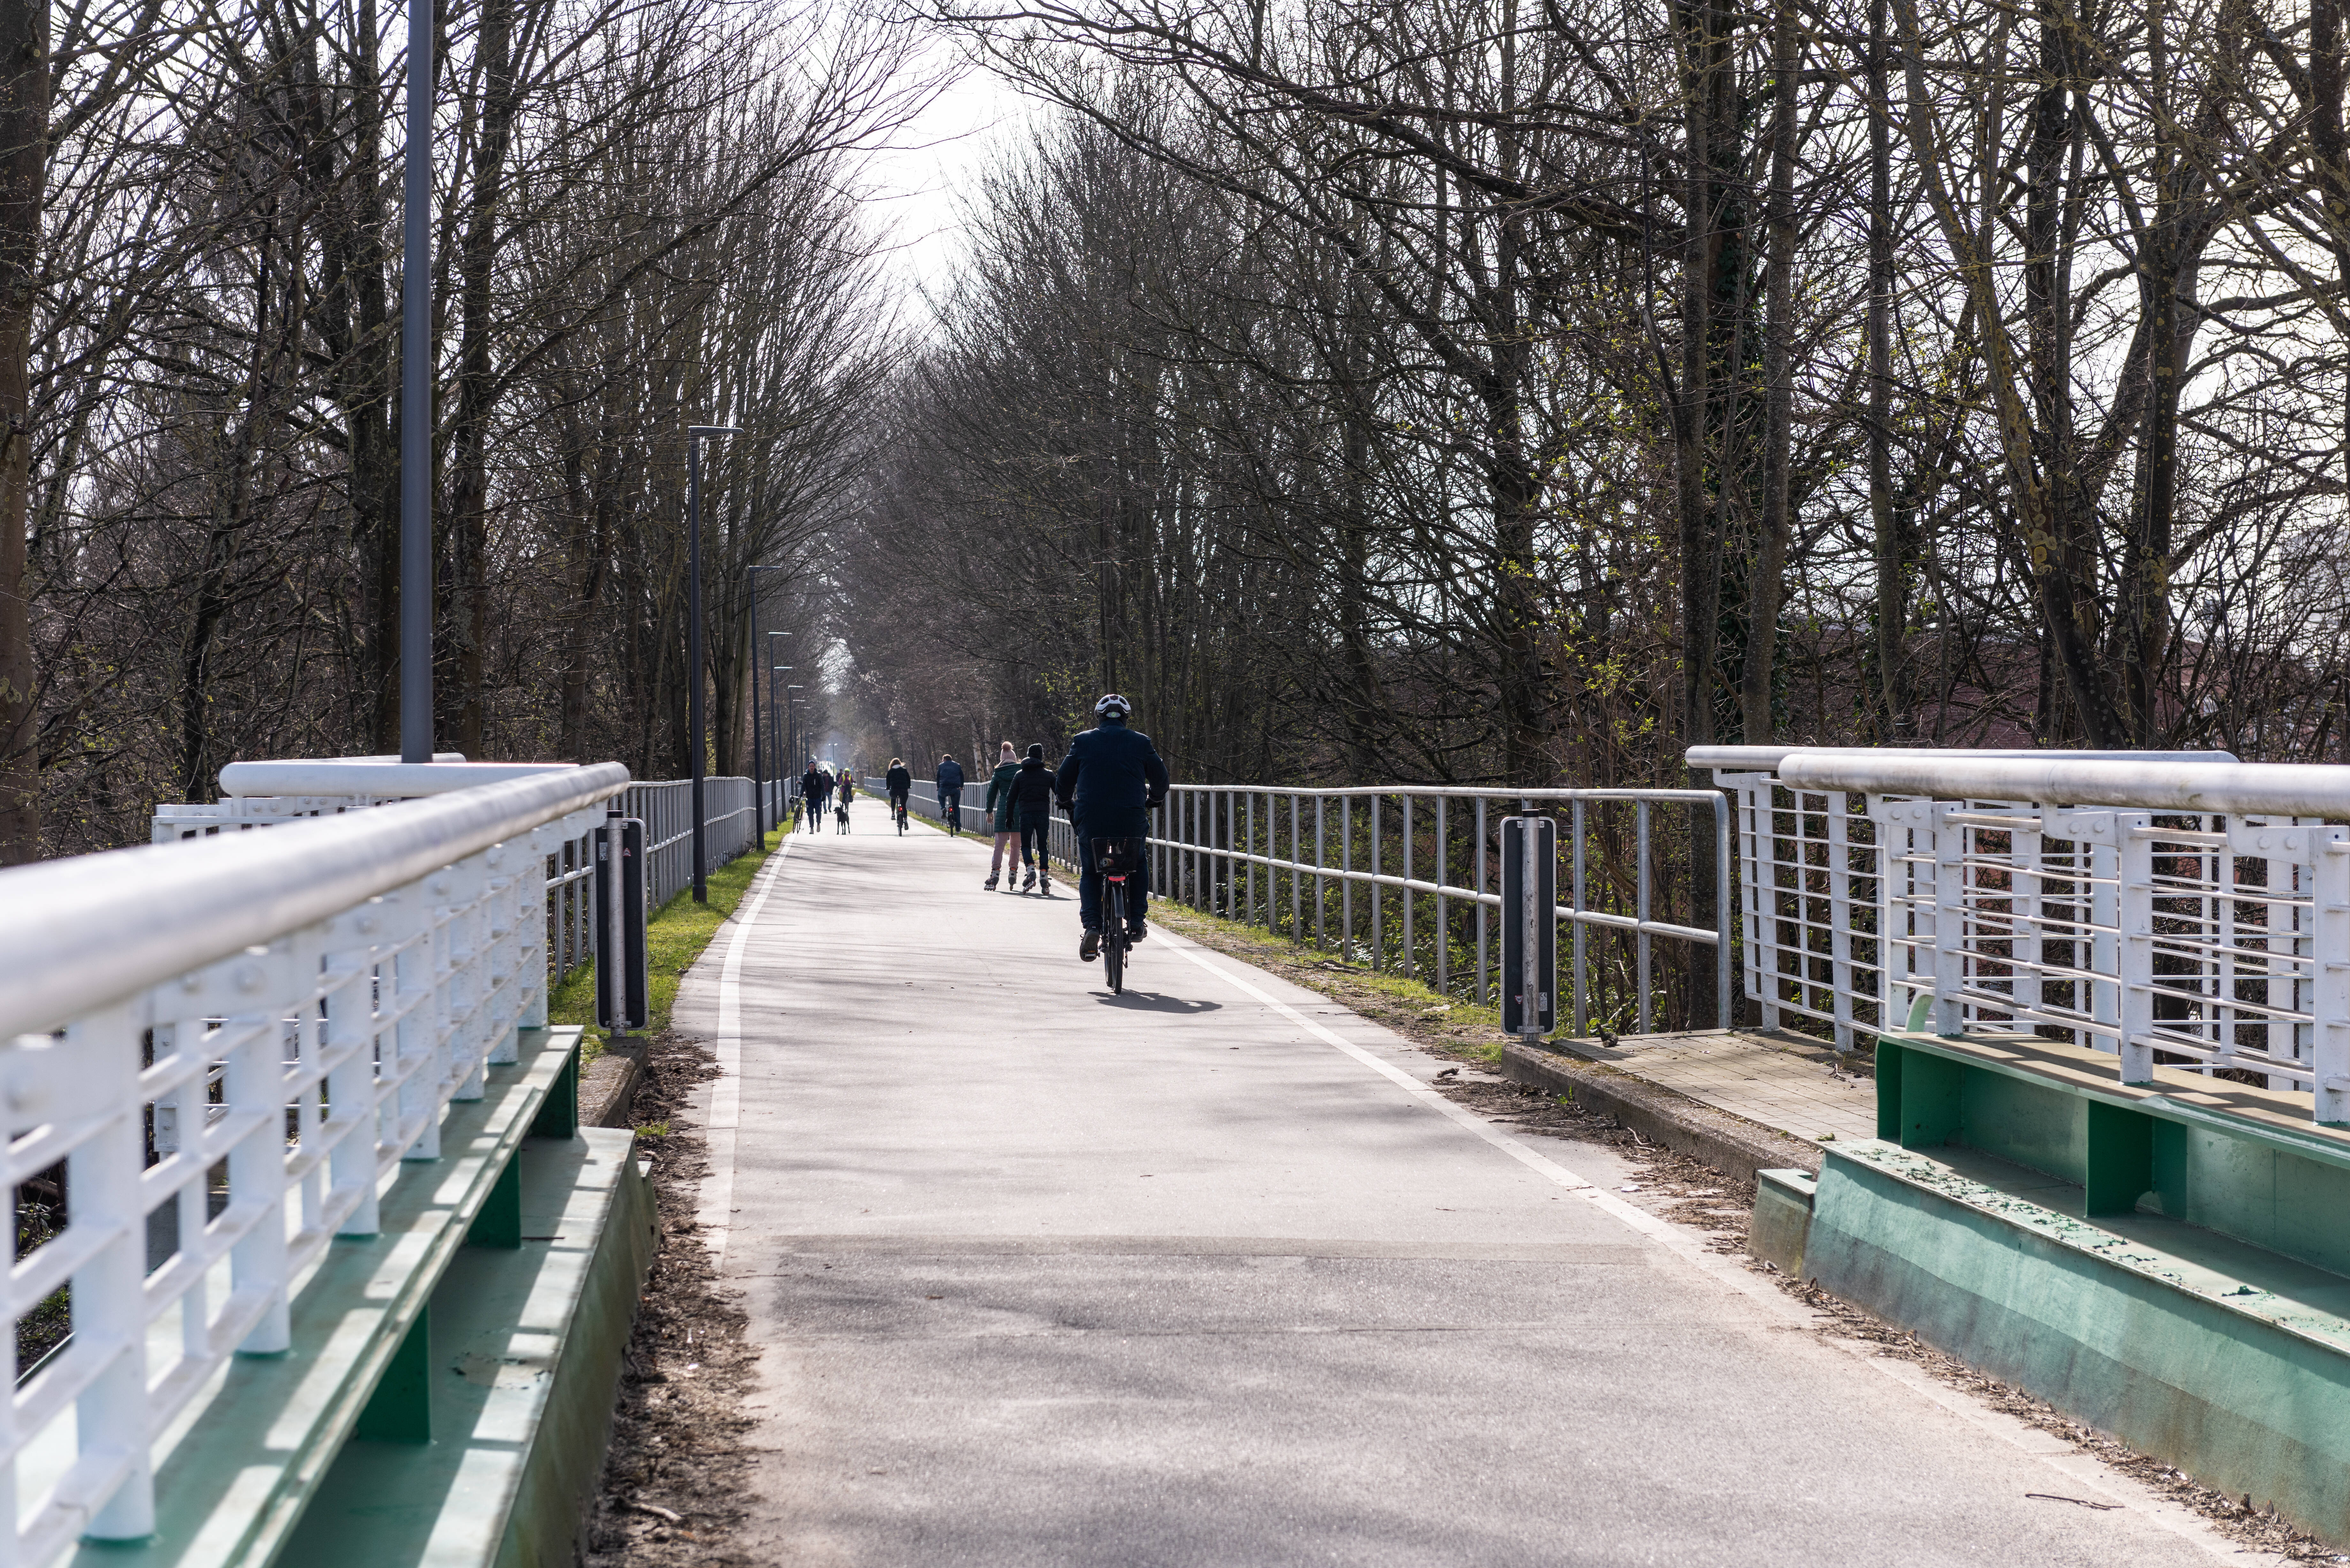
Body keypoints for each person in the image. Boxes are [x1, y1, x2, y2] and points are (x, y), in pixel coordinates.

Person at [1055, 693, 1169, 961]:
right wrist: (1154, 798)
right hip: (1130, 818)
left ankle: (1093, 926)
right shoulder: (1141, 742)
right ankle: (1138, 921)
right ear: (1126, 718)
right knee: (1137, 862)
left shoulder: (1082, 741)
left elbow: (1064, 779)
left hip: (1092, 819)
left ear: (1099, 717)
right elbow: (1161, 778)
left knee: (1092, 871)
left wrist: (1064, 800)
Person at [1000, 743, 1058, 893]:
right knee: (1042, 846)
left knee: (1026, 846)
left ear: (1028, 755)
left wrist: (1009, 816)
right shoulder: (1049, 774)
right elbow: (1060, 793)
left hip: (1026, 814)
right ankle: (1044, 875)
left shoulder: (1020, 775)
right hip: (1043, 814)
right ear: (1041, 756)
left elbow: (1011, 798)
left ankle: (1031, 868)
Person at [981, 741, 1022, 889]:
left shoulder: (998, 773)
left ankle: (995, 872)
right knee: (1016, 846)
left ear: (1002, 759)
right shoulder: (1021, 771)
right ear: (1014, 758)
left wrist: (989, 811)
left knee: (999, 846)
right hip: (1019, 812)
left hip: (1004, 812)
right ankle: (1013, 872)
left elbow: (991, 794)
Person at [936, 753, 967, 835]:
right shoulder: (958, 766)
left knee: (940, 796)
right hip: (955, 789)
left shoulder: (941, 766)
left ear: (944, 760)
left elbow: (938, 778)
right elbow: (962, 776)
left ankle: (943, 808)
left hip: (944, 789)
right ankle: (958, 828)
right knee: (956, 807)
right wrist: (961, 786)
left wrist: (938, 787)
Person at [885, 757, 913, 832]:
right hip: (904, 791)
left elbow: (888, 781)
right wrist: (909, 786)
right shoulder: (904, 770)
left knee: (893, 798)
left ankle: (893, 814)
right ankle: (906, 821)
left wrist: (888, 787)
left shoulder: (891, 771)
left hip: (894, 790)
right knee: (904, 805)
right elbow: (908, 779)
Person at [801, 762, 828, 834]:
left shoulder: (819, 775)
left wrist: (824, 795)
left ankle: (818, 823)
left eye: (813, 766)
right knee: (810, 814)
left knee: (819, 812)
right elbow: (803, 786)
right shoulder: (806, 776)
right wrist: (801, 794)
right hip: (809, 798)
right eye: (810, 766)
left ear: (815, 767)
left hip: (818, 798)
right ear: (808, 767)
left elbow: (822, 786)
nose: (812, 768)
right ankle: (812, 828)